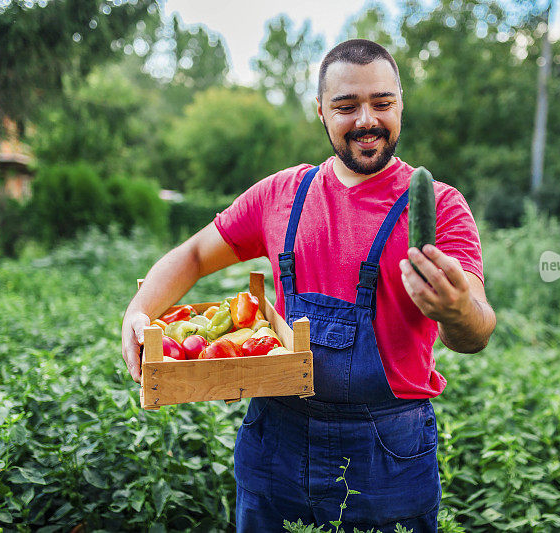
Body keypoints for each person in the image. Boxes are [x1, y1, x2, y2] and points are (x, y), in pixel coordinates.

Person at [121, 39, 496, 532]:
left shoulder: (440, 206)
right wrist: (137, 312)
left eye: (382, 103)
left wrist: (454, 309)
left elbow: (477, 331)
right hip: (275, 444)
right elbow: (193, 255)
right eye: (347, 106)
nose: (367, 120)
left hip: (387, 457)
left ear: (400, 104)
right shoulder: (281, 194)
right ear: (321, 111)